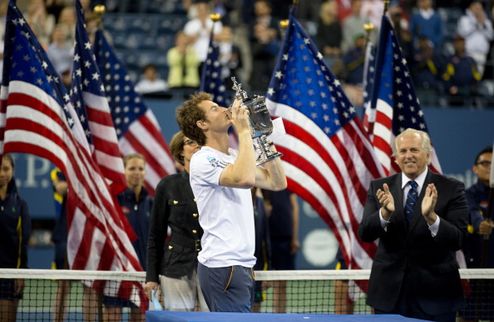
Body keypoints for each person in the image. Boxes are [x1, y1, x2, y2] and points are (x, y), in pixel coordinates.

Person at [176, 92, 287, 312]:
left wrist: (262, 136)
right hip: (222, 264)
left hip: (242, 263)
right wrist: (244, 130)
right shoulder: (202, 159)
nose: (224, 108)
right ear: (202, 124)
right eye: (215, 108)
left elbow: (277, 182)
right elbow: (244, 179)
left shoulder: (236, 155)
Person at [359, 128, 468, 322]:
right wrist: (385, 213)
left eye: (414, 150)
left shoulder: (451, 188)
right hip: (389, 296)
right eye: (403, 151)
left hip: (437, 295)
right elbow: (365, 233)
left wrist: (432, 217)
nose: (408, 156)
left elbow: (458, 240)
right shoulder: (379, 187)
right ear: (395, 158)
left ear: (428, 154)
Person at [144, 131, 208, 311]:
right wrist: (151, 276)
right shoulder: (167, 186)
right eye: (190, 142)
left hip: (212, 265)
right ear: (181, 151)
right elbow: (155, 235)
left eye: (200, 143)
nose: (196, 146)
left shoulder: (217, 183)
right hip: (176, 265)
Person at [104, 153, 152, 322]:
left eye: (140, 168)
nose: (136, 172)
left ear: (145, 172)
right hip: (116, 271)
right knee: (112, 317)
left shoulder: (151, 203)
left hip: (143, 273)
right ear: (123, 171)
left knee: (139, 318)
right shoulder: (113, 201)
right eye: (131, 168)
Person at [460, 146, 494, 322]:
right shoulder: (468, 195)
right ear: (475, 168)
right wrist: (481, 224)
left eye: (493, 164)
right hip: (475, 272)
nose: (490, 167)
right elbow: (473, 213)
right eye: (486, 163)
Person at [0, 154, 31, 322]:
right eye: (0, 169)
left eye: (6, 169)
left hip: (9, 273)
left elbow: (23, 241)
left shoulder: (20, 204)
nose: (2, 173)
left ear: (12, 170)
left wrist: (21, 273)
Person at [262, 189, 299, 313]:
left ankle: (279, 317)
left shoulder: (288, 181)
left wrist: (294, 237)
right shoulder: (259, 178)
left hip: (284, 239)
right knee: (258, 286)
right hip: (264, 240)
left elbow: (295, 207)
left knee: (281, 284)